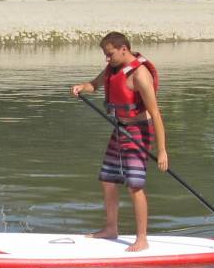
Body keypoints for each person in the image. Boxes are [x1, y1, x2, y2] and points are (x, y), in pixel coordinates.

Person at [70, 31, 168, 252]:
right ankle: (111, 228)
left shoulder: (141, 76)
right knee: (107, 179)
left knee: (135, 186)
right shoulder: (113, 69)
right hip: (119, 130)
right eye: (105, 54)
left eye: (110, 54)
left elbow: (156, 114)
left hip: (139, 131)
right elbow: (94, 84)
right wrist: (81, 87)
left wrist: (162, 151)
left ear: (123, 49)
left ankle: (142, 238)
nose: (107, 58)